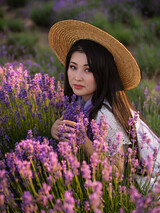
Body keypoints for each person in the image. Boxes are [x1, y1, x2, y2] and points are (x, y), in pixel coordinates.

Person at [48, 20, 160, 191]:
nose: (77, 77)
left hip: (150, 193)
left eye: (88, 70)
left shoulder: (107, 115)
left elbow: (115, 174)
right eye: (73, 67)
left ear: (103, 73)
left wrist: (83, 142)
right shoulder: (83, 102)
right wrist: (57, 127)